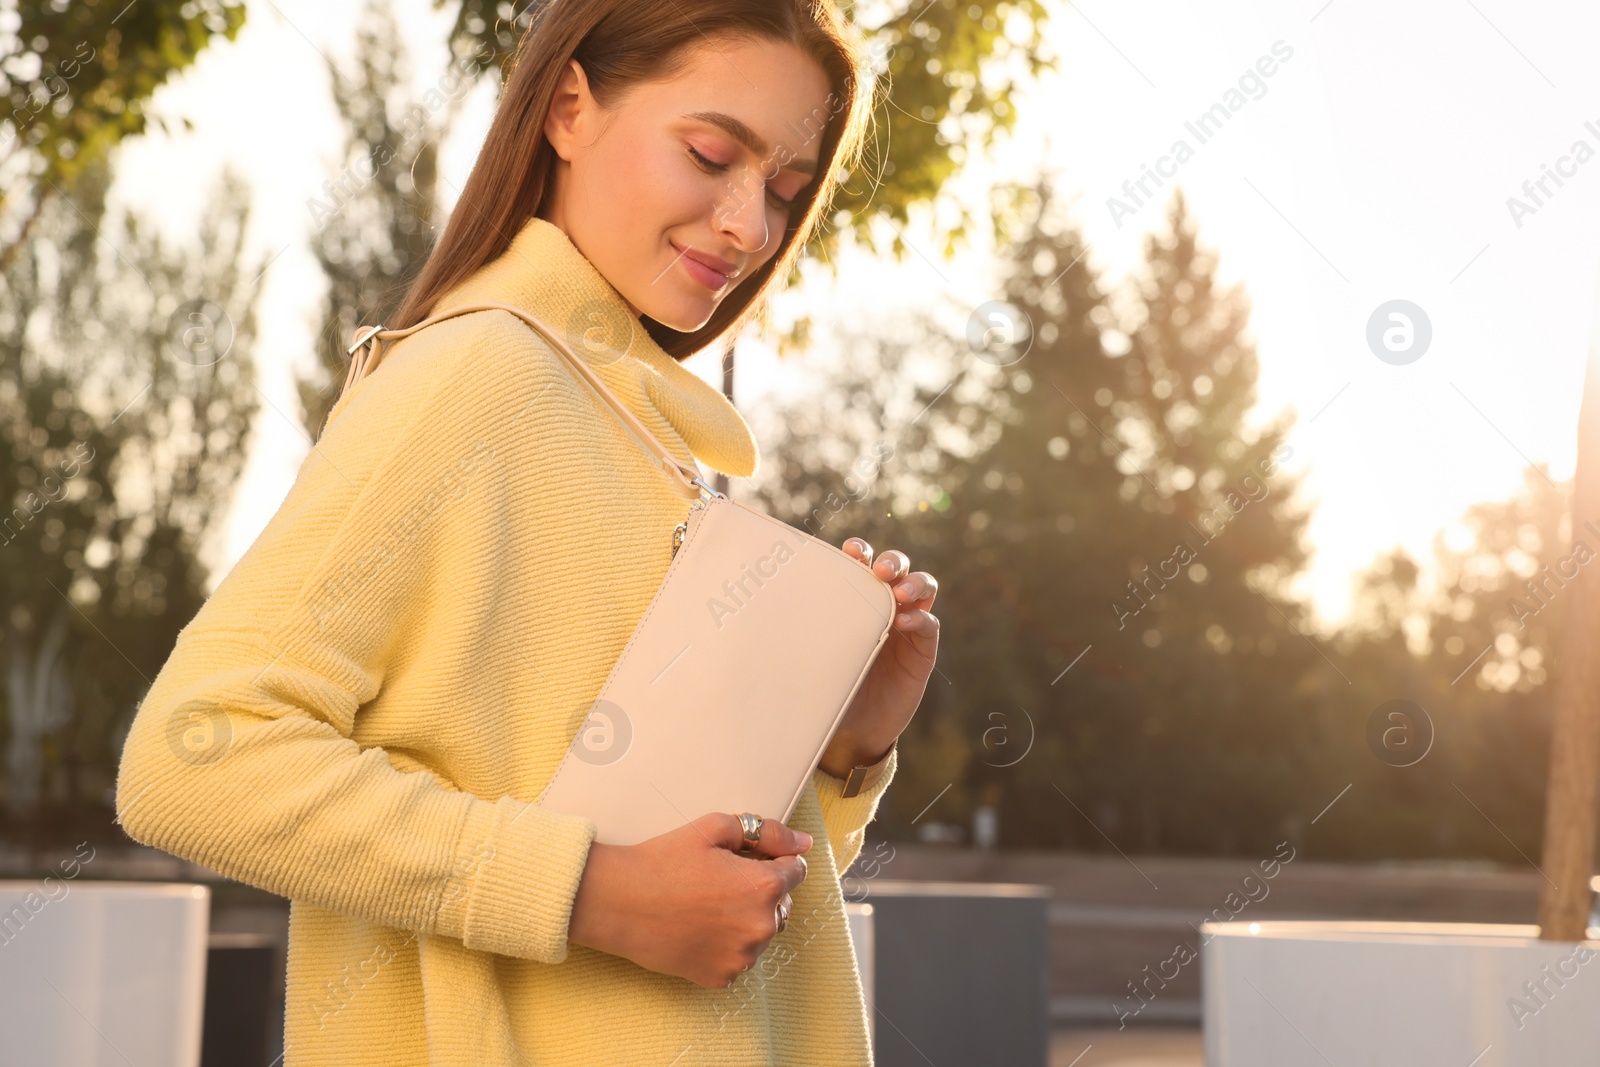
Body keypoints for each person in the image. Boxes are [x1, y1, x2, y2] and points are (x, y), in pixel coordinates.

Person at [114, 2, 941, 1064]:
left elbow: (697, 886)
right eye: (709, 153)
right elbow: (196, 755)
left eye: (784, 187)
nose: (750, 224)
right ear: (566, 109)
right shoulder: (479, 376)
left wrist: (843, 749)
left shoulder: (627, 427)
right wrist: (587, 891)